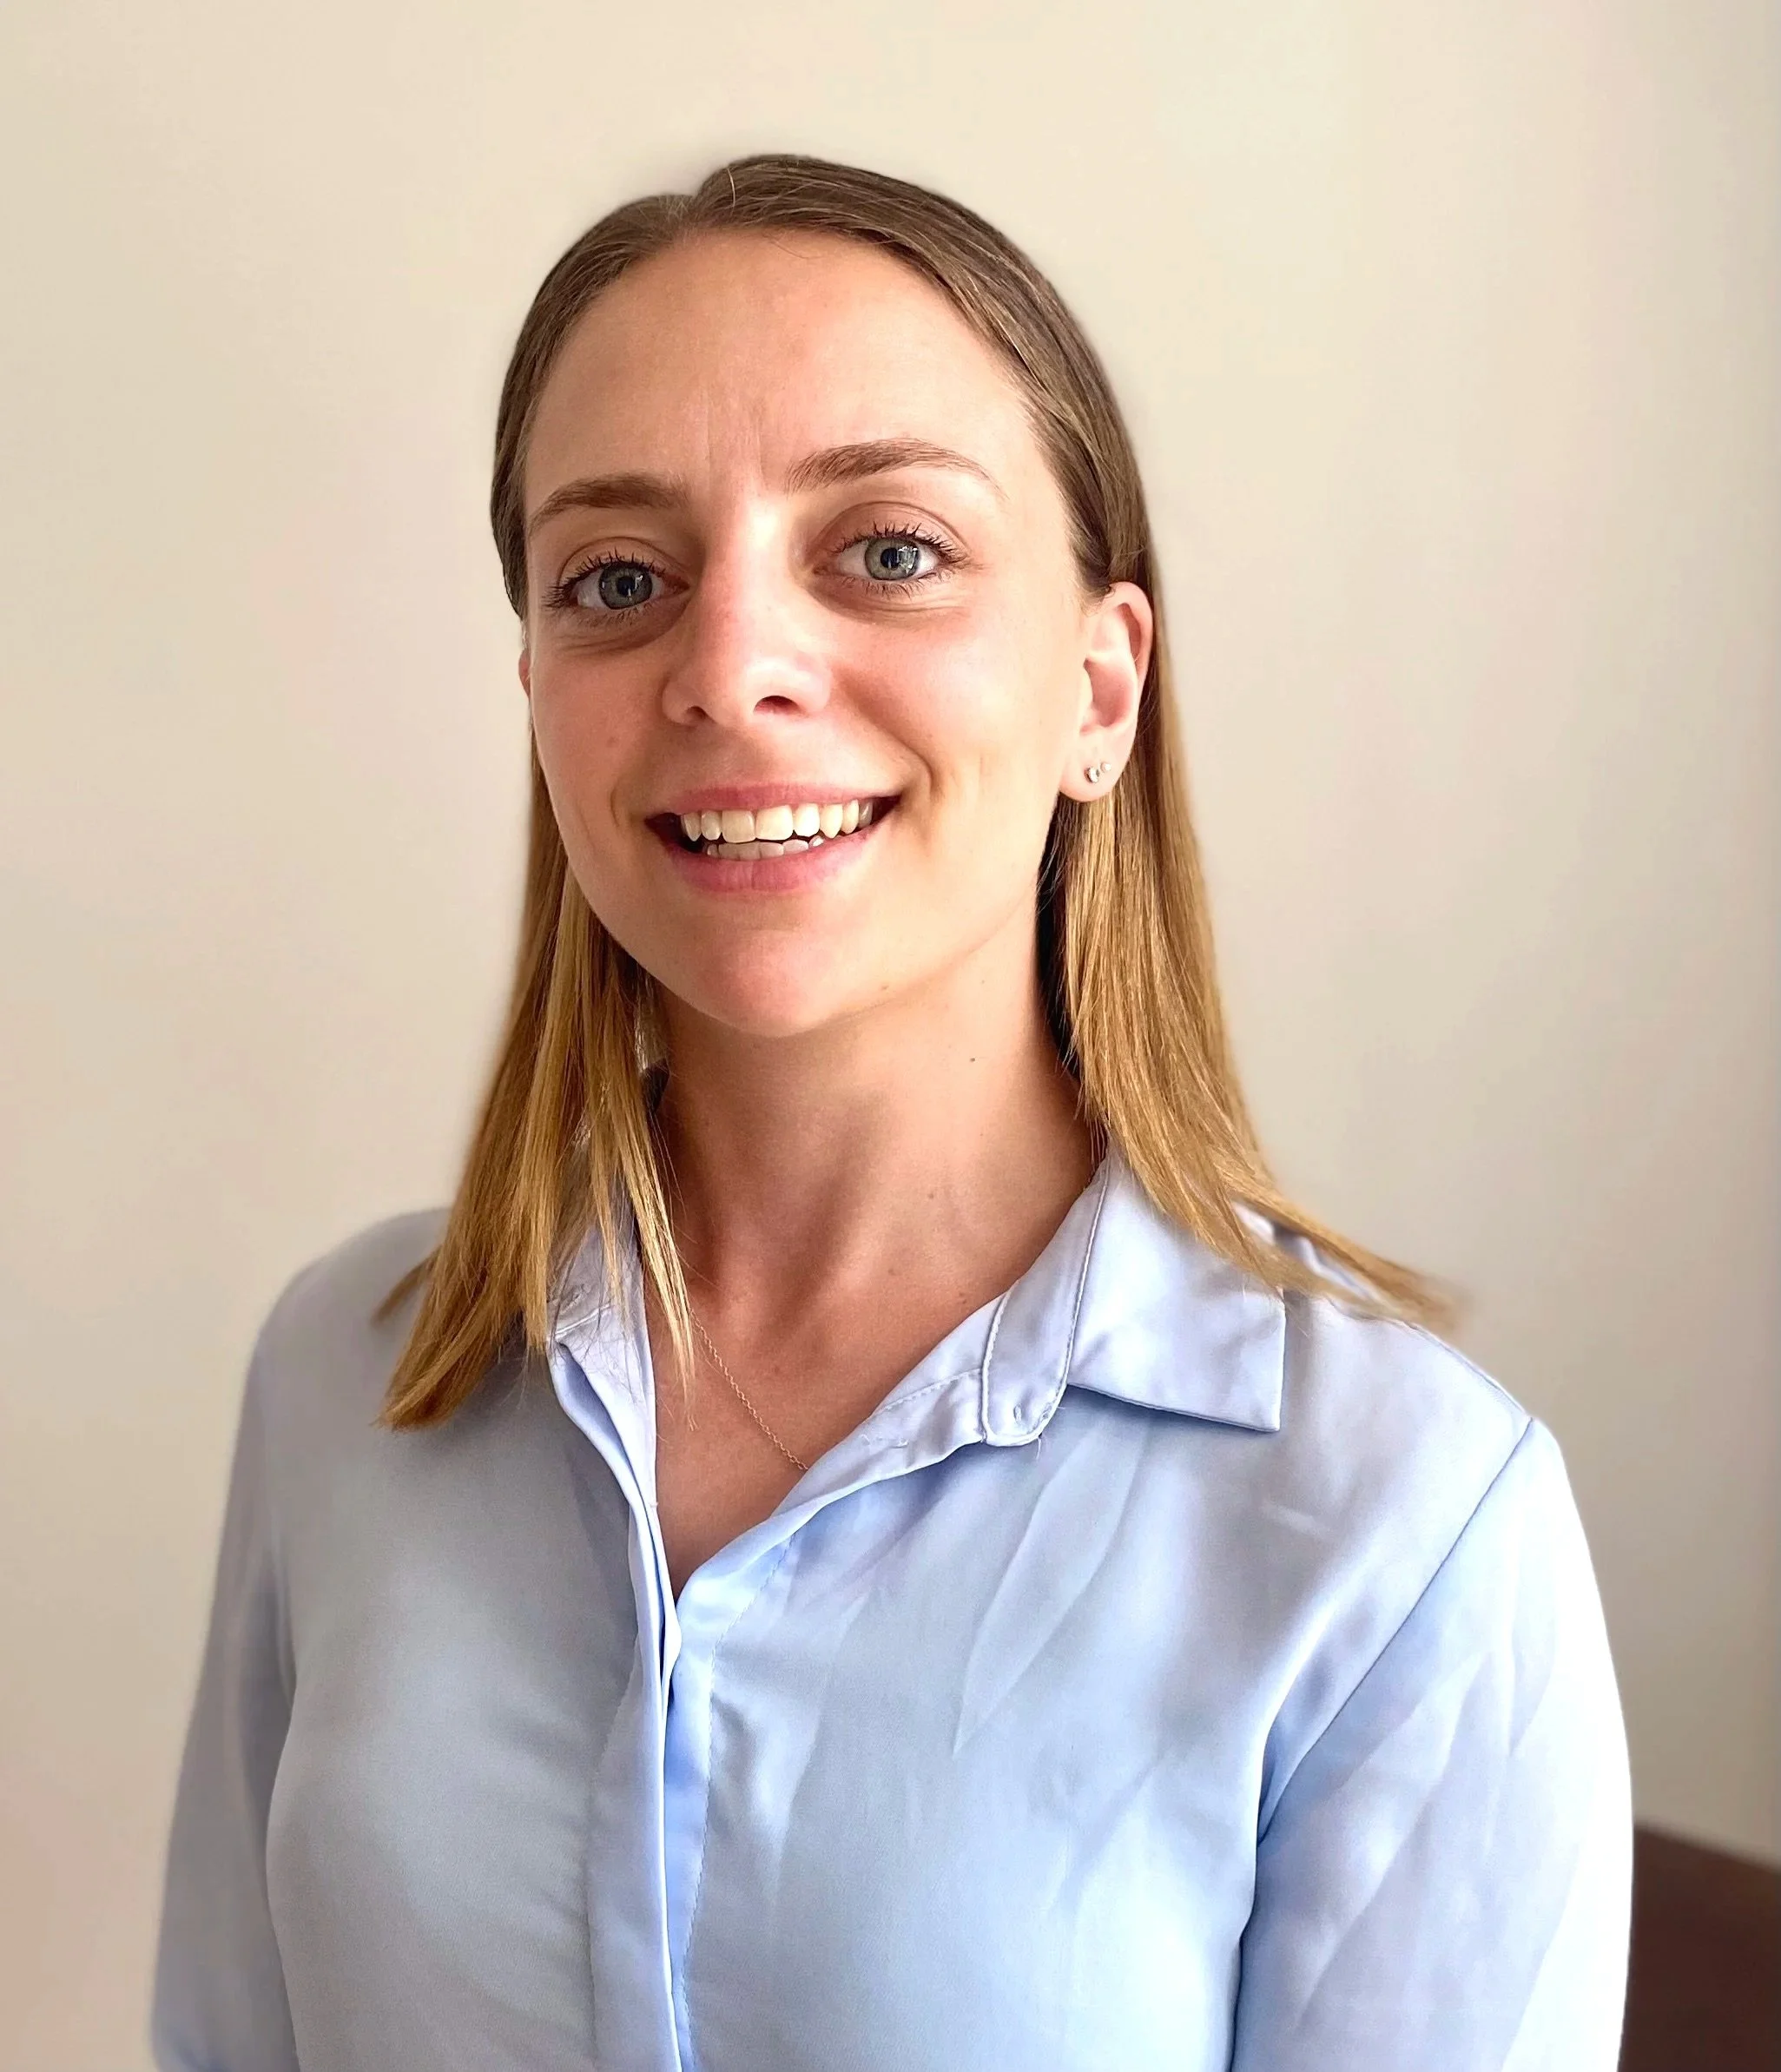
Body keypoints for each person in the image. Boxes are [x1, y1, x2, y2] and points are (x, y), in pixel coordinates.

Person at [152, 155, 1632, 2072]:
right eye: (619, 580)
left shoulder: (1403, 1520)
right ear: (538, 689)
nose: (727, 670)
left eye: (888, 550)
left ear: (1099, 688)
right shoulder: (343, 1377)